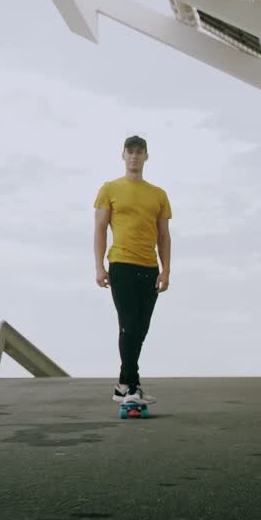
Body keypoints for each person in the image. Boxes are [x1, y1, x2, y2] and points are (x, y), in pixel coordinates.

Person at [93, 135, 171, 405]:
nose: (135, 156)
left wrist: (166, 270)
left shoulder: (158, 194)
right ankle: (131, 385)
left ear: (146, 157)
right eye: (130, 151)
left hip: (149, 268)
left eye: (140, 152)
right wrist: (99, 266)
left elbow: (164, 236)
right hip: (121, 265)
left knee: (141, 328)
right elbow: (100, 229)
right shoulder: (109, 189)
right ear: (123, 155)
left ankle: (124, 385)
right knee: (129, 325)